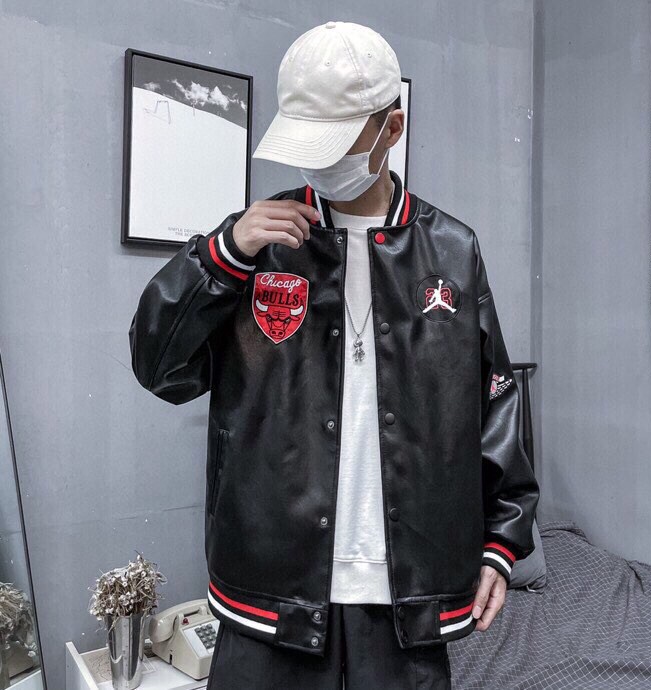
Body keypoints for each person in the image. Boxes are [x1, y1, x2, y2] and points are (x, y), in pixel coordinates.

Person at [129, 20, 540, 689]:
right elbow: (158, 368)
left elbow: (494, 404)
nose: (316, 164)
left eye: (334, 143)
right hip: (270, 591)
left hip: (410, 595)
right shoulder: (256, 245)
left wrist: (501, 543)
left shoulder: (452, 251)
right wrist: (221, 255)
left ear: (391, 129)